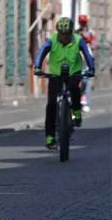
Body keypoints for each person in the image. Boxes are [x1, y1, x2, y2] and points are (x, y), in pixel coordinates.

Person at [34, 17, 95, 149]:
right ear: (58, 33)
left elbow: (87, 55)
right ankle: (50, 137)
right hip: (55, 74)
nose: (64, 37)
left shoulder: (78, 40)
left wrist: (91, 68)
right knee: (51, 104)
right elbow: (41, 53)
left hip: (74, 72)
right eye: (62, 34)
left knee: (75, 90)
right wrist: (37, 67)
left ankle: (77, 112)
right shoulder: (52, 40)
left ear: (71, 33)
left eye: (67, 34)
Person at [75, 15, 98, 113]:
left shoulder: (91, 32)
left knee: (85, 80)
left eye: (84, 22)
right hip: (77, 57)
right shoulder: (76, 32)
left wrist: (89, 42)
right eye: (81, 22)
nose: (82, 24)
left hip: (87, 57)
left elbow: (95, 44)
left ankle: (86, 101)